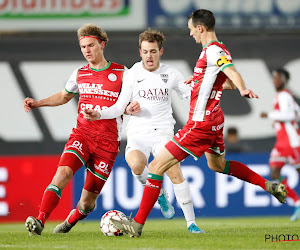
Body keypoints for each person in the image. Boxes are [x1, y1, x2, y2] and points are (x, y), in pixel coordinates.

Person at [107, 9, 287, 237]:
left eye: (191, 29)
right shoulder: (220, 49)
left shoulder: (212, 51)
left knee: (155, 167)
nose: (191, 33)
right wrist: (203, 82)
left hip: (200, 122)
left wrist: (241, 87)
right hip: (215, 120)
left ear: (200, 28)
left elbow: (231, 72)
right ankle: (268, 185)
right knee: (218, 165)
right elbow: (222, 80)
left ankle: (137, 225)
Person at [83, 28, 204, 233]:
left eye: (153, 51)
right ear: (140, 52)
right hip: (138, 133)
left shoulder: (171, 73)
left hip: (163, 133)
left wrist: (213, 86)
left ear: (161, 52)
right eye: (146, 51)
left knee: (174, 171)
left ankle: (191, 223)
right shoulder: (131, 74)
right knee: (137, 166)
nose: (149, 56)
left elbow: (192, 94)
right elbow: (120, 106)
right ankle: (160, 196)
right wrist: (100, 113)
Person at [23, 23, 138, 235]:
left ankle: (69, 222)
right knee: (62, 173)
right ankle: (40, 221)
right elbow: (64, 96)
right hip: (82, 136)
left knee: (87, 203)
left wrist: (132, 108)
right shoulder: (79, 73)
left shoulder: (122, 73)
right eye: (83, 46)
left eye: (91, 45)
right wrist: (37, 103)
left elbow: (130, 103)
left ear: (101, 45)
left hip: (108, 144)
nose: (87, 50)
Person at [261, 68, 300, 221]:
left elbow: (290, 115)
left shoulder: (284, 95)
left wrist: (270, 115)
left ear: (286, 80)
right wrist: (276, 122)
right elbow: (295, 112)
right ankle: (297, 202)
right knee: (274, 174)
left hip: (292, 142)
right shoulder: (281, 96)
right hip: (281, 143)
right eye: (274, 78)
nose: (276, 80)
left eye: (279, 78)